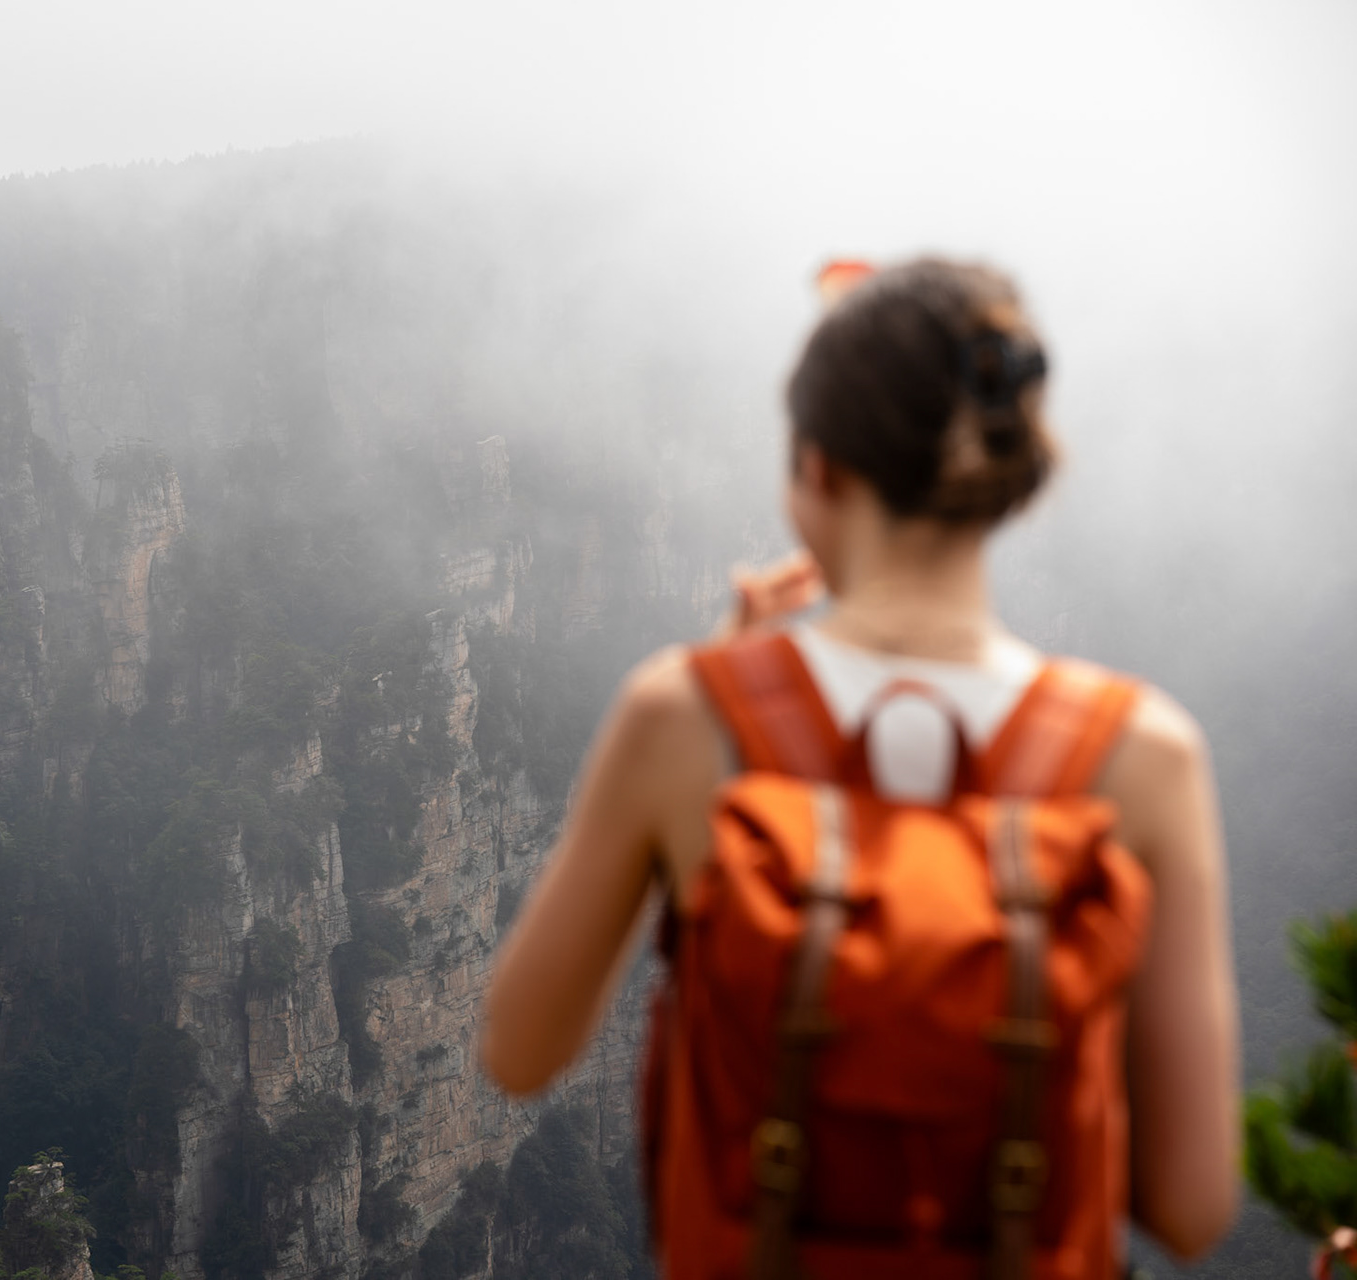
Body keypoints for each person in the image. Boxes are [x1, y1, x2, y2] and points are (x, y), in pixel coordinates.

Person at [479, 258, 1239, 1273]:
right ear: (1006, 478)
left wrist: (723, 685)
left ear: (817, 468)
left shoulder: (684, 717)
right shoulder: (1143, 754)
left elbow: (518, 1052)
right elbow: (1189, 1205)